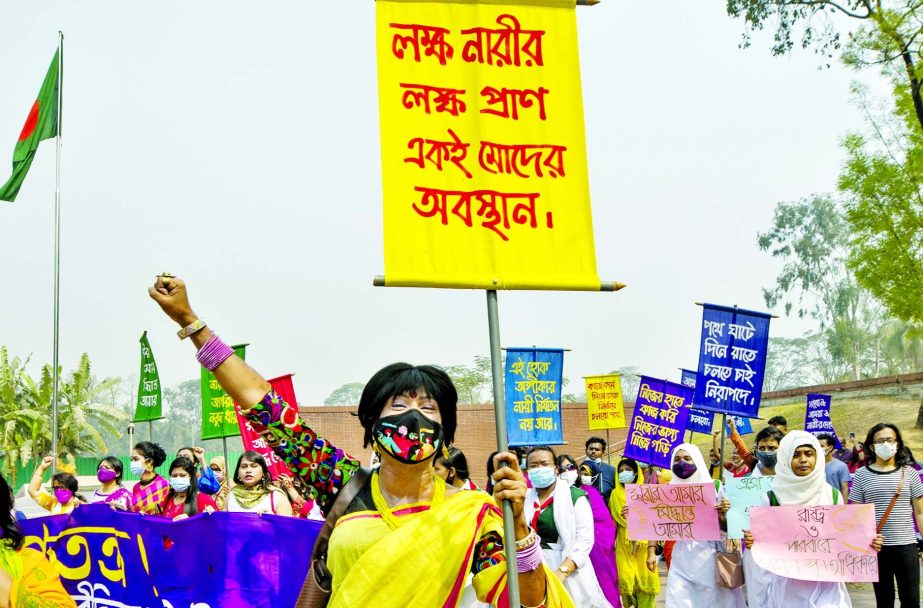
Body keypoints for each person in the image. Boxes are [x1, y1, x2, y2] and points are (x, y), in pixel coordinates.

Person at [149, 275, 572, 607]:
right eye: (398, 405)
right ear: (372, 424)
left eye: (428, 409)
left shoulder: (474, 515)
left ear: (446, 433)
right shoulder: (340, 481)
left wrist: (518, 529)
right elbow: (263, 406)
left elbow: (525, 599)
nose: (412, 417)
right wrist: (192, 323)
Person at [743, 431, 883, 606]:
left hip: (827, 587)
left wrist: (867, 542)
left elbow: (843, 537)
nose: (803, 460)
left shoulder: (832, 495)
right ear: (785, 458)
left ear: (817, 458)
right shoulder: (771, 498)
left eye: (809, 454)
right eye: (796, 455)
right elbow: (760, 542)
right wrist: (752, 541)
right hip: (788, 588)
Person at [525, 447, 613, 608]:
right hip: (531, 570)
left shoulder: (575, 497)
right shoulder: (524, 499)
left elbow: (584, 540)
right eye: (533, 466)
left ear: (555, 469)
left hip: (567, 570)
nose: (539, 469)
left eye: (544, 464)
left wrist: (563, 572)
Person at [849, 422, 923, 607]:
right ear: (872, 446)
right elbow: (856, 514)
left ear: (897, 444)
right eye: (880, 441)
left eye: (889, 439)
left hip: (907, 546)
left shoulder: (910, 473)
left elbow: (920, 512)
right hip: (877, 548)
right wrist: (863, 539)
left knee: (912, 599)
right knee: (884, 600)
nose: (885, 444)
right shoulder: (861, 475)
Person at [664, 443, 744, 608]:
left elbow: (728, 527)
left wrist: (723, 514)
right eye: (677, 459)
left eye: (687, 459)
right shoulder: (667, 490)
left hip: (710, 558)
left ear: (697, 461)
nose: (682, 463)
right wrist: (636, 513)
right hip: (681, 559)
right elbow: (655, 521)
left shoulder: (715, 487)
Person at [0, 473, 76, 607]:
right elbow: (33, 491)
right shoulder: (53, 504)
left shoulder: (82, 508)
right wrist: (41, 469)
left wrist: (6, 589)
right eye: (55, 488)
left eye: (62, 488)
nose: (58, 491)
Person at [571, 458, 621, 608]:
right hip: (578, 545)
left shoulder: (592, 493)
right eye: (581, 471)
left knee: (603, 578)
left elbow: (604, 522)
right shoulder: (574, 492)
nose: (583, 475)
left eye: (587, 472)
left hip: (597, 545)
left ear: (594, 475)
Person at [609, 457, 658, 608]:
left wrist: (651, 553)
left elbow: (654, 523)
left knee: (645, 586)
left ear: (636, 473)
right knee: (627, 584)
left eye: (628, 470)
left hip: (644, 546)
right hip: (624, 546)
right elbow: (612, 524)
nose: (624, 473)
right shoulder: (614, 495)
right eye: (621, 471)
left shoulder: (646, 493)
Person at [224, 451, 292, 516]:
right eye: (244, 466)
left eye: (254, 466)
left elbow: (287, 526)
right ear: (238, 473)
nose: (248, 470)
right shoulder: (231, 497)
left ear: (263, 473)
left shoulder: (276, 496)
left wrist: (271, 519)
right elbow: (222, 525)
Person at [130, 441, 169, 515]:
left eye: (136, 459)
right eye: (131, 460)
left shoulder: (164, 485)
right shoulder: (136, 487)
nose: (132, 463)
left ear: (149, 461)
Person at [817, 433, 850, 498]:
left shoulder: (841, 466)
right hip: (818, 504)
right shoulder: (814, 466)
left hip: (835, 503)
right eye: (817, 446)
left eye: (822, 446)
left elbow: (845, 488)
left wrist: (843, 507)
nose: (818, 448)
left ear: (830, 448)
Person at [584, 437, 616, 501]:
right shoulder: (578, 469)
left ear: (603, 453)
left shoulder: (612, 471)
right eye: (591, 449)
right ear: (586, 450)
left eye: (597, 449)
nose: (593, 451)